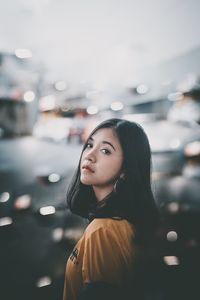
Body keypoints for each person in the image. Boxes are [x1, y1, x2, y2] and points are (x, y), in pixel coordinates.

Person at [63, 118, 159, 300]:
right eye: (90, 145)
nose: (89, 155)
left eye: (105, 151)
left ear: (126, 169)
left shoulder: (103, 230)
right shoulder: (125, 222)